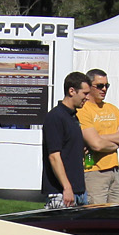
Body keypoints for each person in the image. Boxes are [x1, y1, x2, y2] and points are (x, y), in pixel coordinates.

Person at [78, 69, 119, 207]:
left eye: (106, 86)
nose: (104, 89)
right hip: (94, 171)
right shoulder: (83, 109)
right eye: (100, 86)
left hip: (114, 170)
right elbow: (96, 145)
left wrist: (102, 138)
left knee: (116, 214)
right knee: (96, 215)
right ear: (89, 86)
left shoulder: (111, 109)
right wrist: (117, 140)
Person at [42, 70, 91, 207]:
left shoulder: (73, 117)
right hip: (62, 192)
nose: (87, 98)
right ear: (71, 91)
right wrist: (67, 187)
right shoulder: (55, 117)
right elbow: (54, 156)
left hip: (79, 191)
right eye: (85, 93)